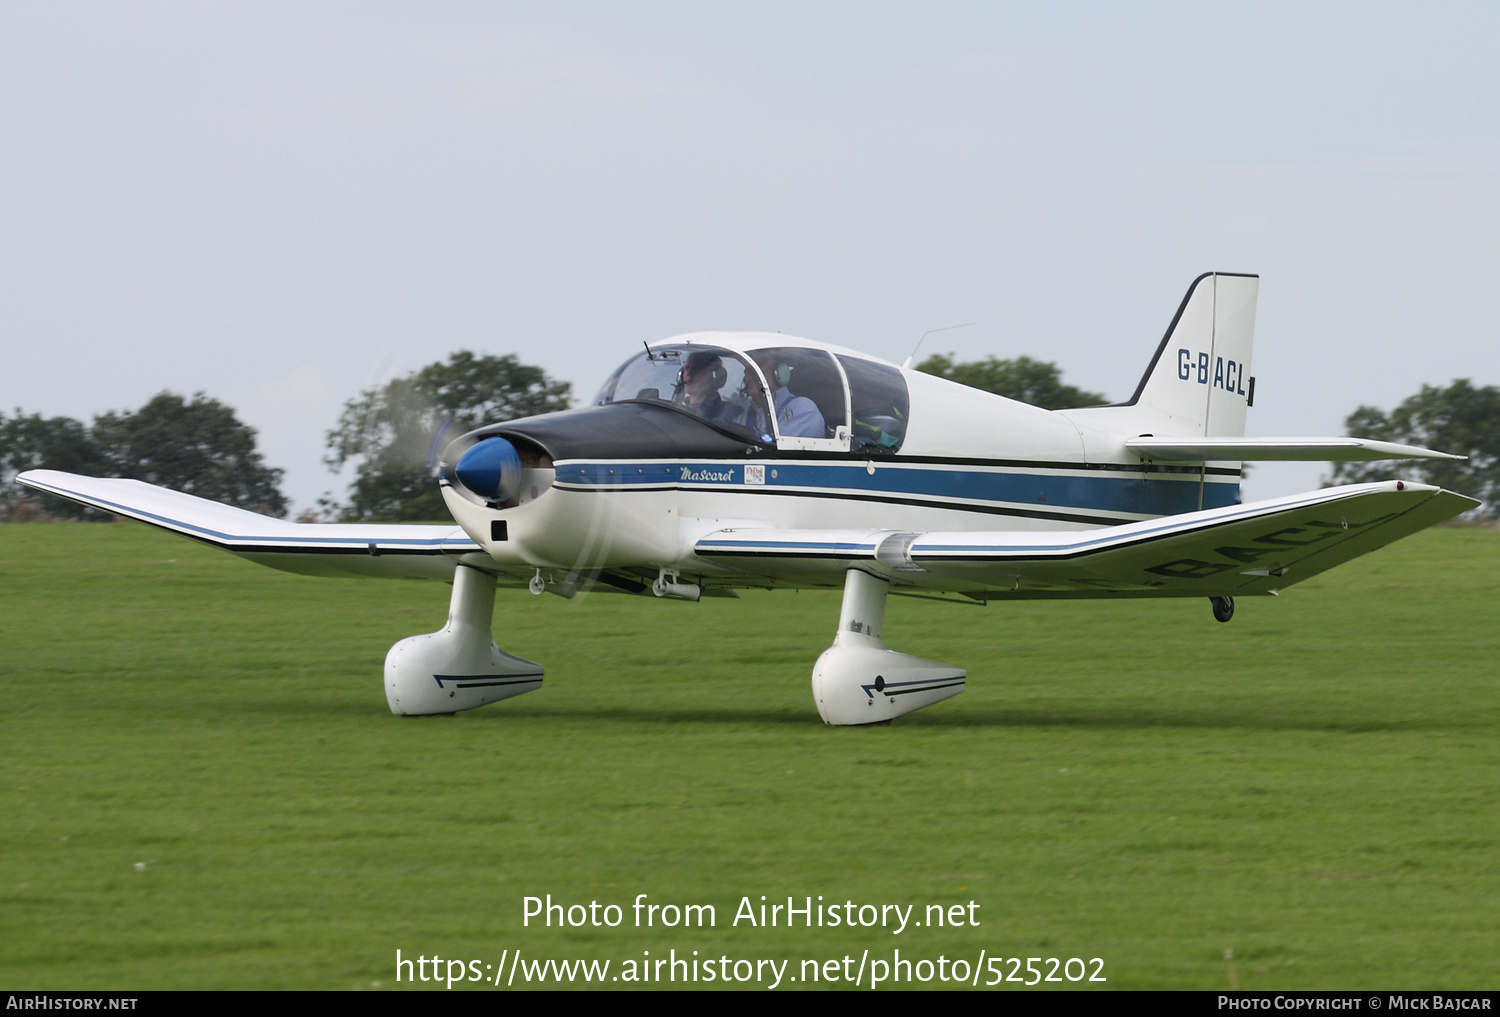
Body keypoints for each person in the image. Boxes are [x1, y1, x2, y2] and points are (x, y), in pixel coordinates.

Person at [739, 355, 826, 439]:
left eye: (756, 372)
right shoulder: (746, 415)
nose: (748, 379)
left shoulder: (802, 409)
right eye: (747, 374)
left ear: (779, 374)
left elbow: (777, 449)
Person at [676, 351, 731, 422]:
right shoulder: (675, 409)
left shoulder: (731, 414)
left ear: (715, 376)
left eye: (695, 368)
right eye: (686, 368)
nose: (688, 373)